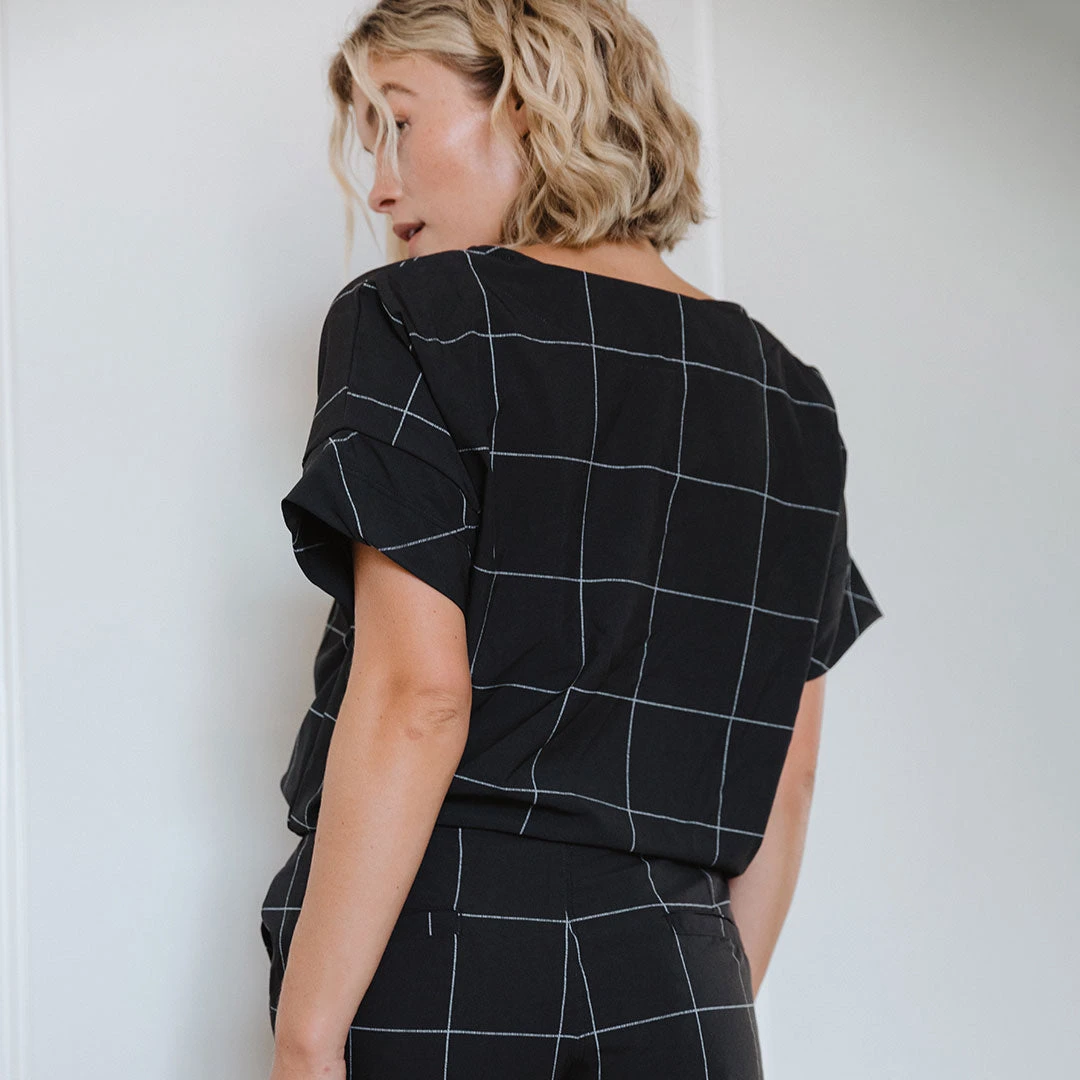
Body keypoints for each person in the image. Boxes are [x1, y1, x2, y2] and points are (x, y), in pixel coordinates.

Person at [261, 2, 884, 1078]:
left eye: (399, 123)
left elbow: (419, 698)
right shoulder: (790, 397)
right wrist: (694, 1004)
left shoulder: (419, 318)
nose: (380, 188)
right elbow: (787, 776)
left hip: (446, 945)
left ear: (524, 103)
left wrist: (307, 1045)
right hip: (687, 980)